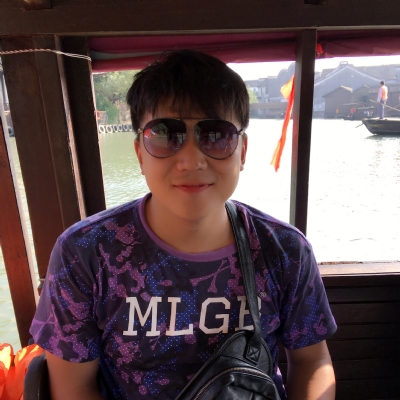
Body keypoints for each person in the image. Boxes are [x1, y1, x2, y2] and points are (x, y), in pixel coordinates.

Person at [30, 50, 337, 400]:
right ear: (139, 153)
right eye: (165, 134)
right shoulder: (86, 252)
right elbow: (73, 386)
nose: (191, 160)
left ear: (242, 151)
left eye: (216, 135)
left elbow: (312, 361)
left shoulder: (285, 250)